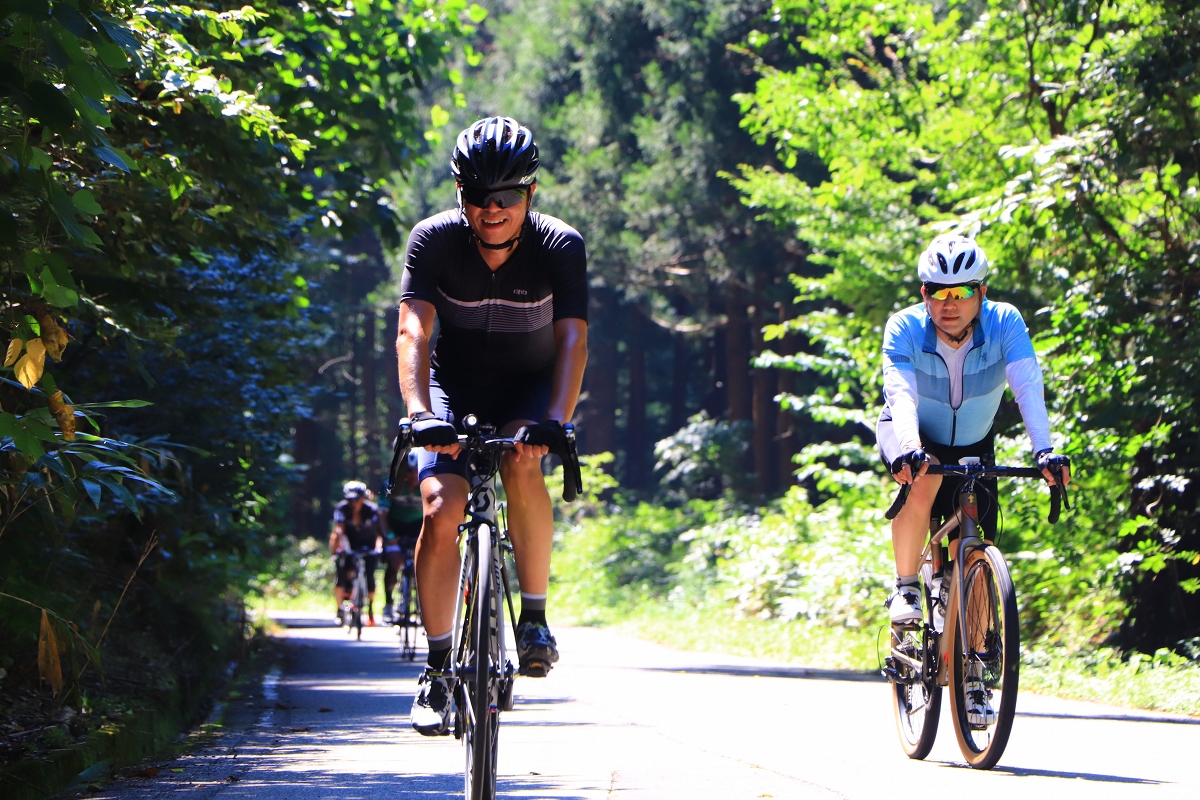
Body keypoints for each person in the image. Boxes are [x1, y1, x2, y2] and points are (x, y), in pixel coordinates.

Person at [397, 116, 588, 736]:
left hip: (526, 389)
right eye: (478, 195)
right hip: (453, 388)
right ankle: (435, 667)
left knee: (523, 461)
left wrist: (557, 420)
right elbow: (413, 332)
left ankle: (532, 618)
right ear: (460, 195)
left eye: (506, 196)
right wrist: (420, 413)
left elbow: (573, 342)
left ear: (529, 195)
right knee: (438, 503)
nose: (491, 209)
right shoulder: (433, 241)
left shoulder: (560, 246)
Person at [877, 233, 1070, 725]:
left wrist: (1044, 450)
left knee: (975, 545)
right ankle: (906, 588)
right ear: (924, 295)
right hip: (913, 431)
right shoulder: (903, 327)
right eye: (937, 293)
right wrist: (910, 448)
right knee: (921, 482)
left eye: (961, 292)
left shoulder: (1006, 323)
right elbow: (899, 392)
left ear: (981, 294)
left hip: (975, 443)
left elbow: (1028, 387)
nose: (949, 304)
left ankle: (979, 673)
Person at [329, 480, 385, 626]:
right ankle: (340, 608)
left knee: (370, 574)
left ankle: (371, 608)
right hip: (349, 543)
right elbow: (339, 531)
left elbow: (378, 532)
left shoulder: (371, 509)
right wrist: (336, 551)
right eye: (350, 499)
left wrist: (379, 547)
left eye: (356, 499)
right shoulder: (342, 509)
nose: (353, 502)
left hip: (368, 544)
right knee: (341, 573)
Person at [382, 451, 423, 625]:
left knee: (422, 565)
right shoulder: (392, 484)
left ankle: (422, 606)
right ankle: (389, 603)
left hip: (417, 526)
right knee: (394, 563)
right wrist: (389, 536)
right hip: (395, 527)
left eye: (414, 471)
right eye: (407, 471)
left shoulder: (427, 485)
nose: (411, 475)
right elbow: (381, 515)